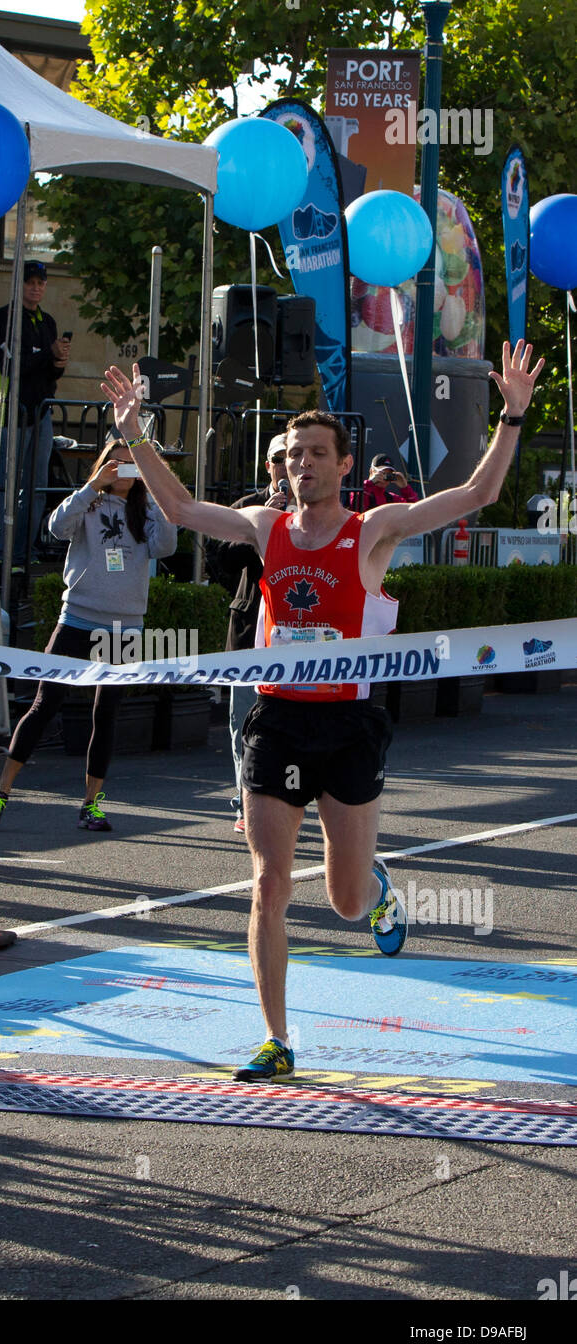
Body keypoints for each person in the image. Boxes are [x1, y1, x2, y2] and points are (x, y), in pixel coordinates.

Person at [102, 340, 543, 1082]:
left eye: (314, 453)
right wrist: (134, 431)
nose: (299, 464)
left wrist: (512, 414)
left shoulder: (374, 530)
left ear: (344, 466)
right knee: (269, 881)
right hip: (276, 717)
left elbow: (476, 496)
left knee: (341, 899)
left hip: (350, 724)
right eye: (291, 454)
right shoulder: (265, 528)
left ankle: (377, 893)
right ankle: (277, 1038)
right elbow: (179, 507)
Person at [0, 435, 176, 833]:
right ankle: (0, 794)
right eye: (116, 463)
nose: (123, 471)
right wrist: (92, 487)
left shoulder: (146, 508)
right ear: (104, 464)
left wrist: (155, 490)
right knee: (44, 705)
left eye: (131, 465)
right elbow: (55, 528)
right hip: (78, 619)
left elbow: (167, 546)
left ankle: (92, 804)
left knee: (106, 715)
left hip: (125, 626)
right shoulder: (87, 501)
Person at [207, 434, 291, 833]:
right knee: (244, 720)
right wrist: (259, 527)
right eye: (277, 459)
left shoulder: (316, 508)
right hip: (248, 630)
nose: (284, 466)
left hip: (297, 633)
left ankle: (286, 798)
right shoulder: (248, 507)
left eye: (290, 458)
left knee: (296, 722)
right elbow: (217, 558)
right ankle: (245, 803)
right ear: (267, 465)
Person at [0, 261, 71, 564]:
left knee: (36, 488)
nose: (36, 287)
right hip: (10, 412)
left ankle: (25, 550)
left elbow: (48, 375)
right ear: (18, 285)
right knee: (2, 486)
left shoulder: (47, 320)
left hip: (41, 413)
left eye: (41, 282)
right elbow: (15, 367)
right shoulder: (4, 318)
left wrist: (58, 363)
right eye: (30, 282)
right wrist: (48, 355)